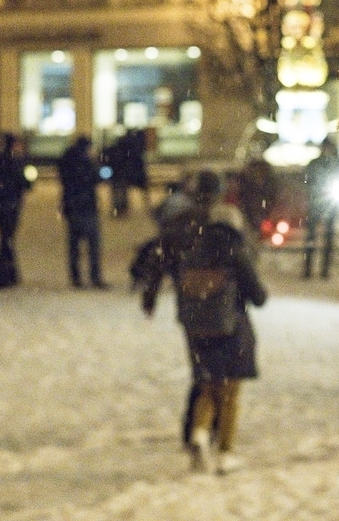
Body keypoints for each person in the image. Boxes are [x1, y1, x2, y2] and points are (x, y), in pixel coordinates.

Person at [141, 170, 266, 475]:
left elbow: (160, 259)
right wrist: (254, 292)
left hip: (192, 315)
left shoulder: (181, 223)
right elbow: (254, 287)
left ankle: (196, 433)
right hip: (227, 318)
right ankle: (223, 449)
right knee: (230, 385)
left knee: (206, 378)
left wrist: (152, 294)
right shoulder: (227, 234)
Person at [0, 133, 33, 288]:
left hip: (0, 205)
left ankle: (8, 273)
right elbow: (24, 183)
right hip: (10, 205)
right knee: (7, 239)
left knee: (6, 238)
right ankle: (5, 274)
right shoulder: (15, 162)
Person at [57, 135, 107, 289]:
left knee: (74, 245)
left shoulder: (66, 160)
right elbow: (97, 177)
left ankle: (76, 277)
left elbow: (64, 179)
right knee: (93, 244)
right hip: (87, 207)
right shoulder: (86, 162)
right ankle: (94, 277)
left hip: (72, 207)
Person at [302, 138, 339, 279]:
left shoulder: (335, 164)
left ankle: (323, 270)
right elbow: (307, 180)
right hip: (319, 203)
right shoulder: (320, 164)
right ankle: (309, 269)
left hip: (327, 203)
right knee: (313, 238)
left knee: (324, 239)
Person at [104, 129, 149, 218]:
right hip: (122, 173)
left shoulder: (117, 149)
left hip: (117, 173)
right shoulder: (130, 149)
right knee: (122, 192)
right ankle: (122, 209)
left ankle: (118, 209)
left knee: (117, 192)